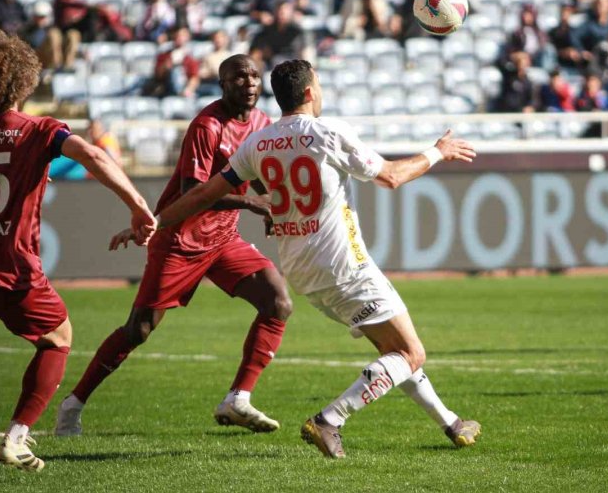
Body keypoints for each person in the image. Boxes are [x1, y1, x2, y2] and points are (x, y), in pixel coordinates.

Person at [151, 59, 481, 458]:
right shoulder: (328, 132)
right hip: (342, 265)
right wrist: (437, 151)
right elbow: (391, 176)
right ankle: (330, 420)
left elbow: (202, 194)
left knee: (394, 351)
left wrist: (153, 220)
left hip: (301, 271)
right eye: (319, 85)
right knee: (411, 353)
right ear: (309, 92)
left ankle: (451, 423)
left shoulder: (258, 142)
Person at [0, 32, 157, 471]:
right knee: (58, 338)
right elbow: (94, 157)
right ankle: (17, 437)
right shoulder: (38, 130)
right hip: (11, 266)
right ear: (21, 81)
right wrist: (138, 205)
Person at [56, 55, 291, 437]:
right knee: (139, 329)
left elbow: (259, 176)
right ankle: (73, 403)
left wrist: (270, 207)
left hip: (224, 238)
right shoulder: (206, 125)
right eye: (237, 77)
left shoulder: (263, 124)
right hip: (181, 240)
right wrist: (251, 203)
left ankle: (238, 398)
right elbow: (193, 194)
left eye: (252, 76)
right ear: (221, 84)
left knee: (278, 302)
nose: (247, 83)